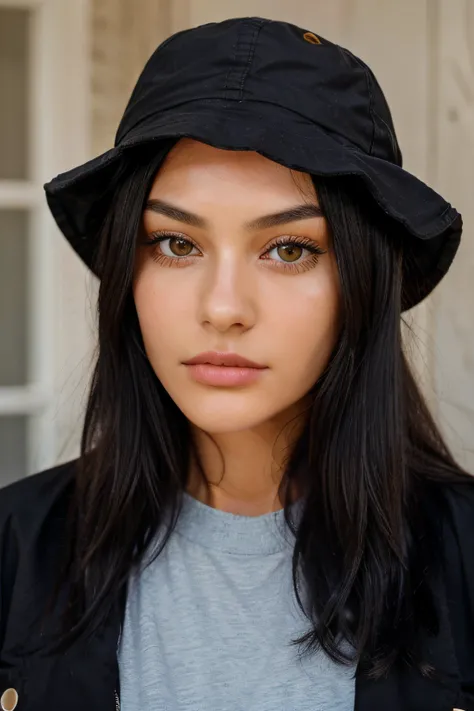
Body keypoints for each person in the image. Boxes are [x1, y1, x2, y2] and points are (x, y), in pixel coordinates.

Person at [0, 16, 473, 711]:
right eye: (175, 244)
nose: (223, 307)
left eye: (288, 249)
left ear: (363, 286)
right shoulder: (15, 549)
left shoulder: (463, 561)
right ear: (126, 272)